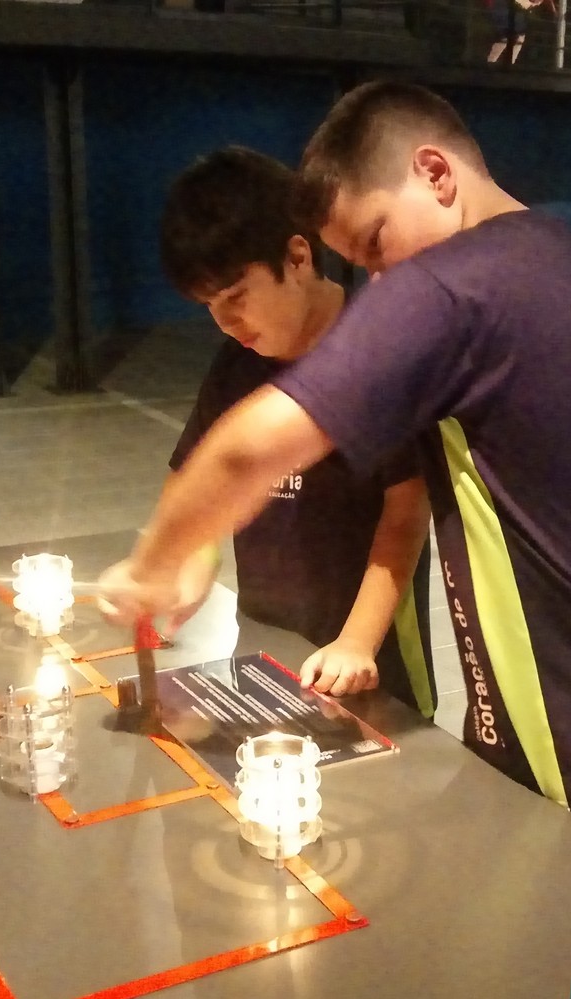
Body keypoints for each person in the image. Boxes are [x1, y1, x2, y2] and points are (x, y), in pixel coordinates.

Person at [99, 83, 571, 886]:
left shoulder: (452, 285)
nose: (378, 279)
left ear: (435, 173)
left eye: (375, 241)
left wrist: (153, 565)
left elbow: (246, 454)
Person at [151, 145, 437, 717]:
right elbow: (201, 481)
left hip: (370, 659)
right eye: (208, 305)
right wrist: (191, 568)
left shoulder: (376, 353)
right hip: (265, 646)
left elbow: (406, 515)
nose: (225, 322)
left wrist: (356, 641)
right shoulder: (236, 363)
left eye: (236, 296)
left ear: (298, 256)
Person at [486, 0, 542, 65]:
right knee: (505, 41)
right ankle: (491, 63)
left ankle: (500, 64)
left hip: (515, 22)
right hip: (507, 17)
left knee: (515, 40)